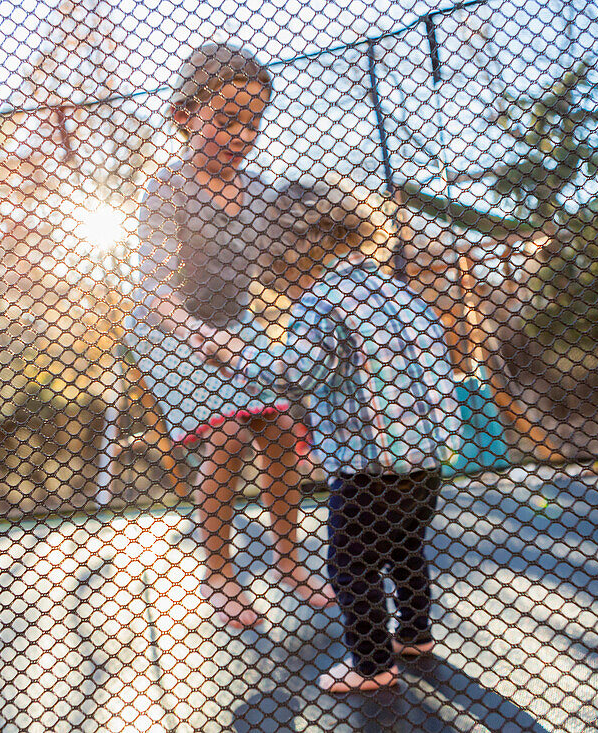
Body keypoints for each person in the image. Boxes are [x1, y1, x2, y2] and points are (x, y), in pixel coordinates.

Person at [125, 42, 333, 630]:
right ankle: (218, 575)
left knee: (280, 423)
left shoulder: (262, 194)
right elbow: (155, 291)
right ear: (185, 116)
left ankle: (289, 562)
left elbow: (296, 264)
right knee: (229, 432)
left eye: (253, 122)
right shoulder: (165, 190)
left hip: (234, 325)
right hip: (165, 327)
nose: (242, 135)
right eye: (225, 120)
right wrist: (203, 338)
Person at [208, 237, 456, 692]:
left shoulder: (319, 301)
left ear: (294, 256)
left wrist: (233, 354)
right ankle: (415, 634)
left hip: (369, 469)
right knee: (405, 548)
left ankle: (371, 664)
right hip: (425, 461)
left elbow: (295, 374)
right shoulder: (404, 296)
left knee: (349, 564)